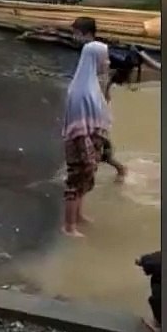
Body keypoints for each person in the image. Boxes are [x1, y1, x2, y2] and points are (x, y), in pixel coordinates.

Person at [61, 17, 119, 237]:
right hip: (80, 140)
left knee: (85, 180)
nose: (107, 63)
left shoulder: (92, 85)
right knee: (75, 181)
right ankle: (69, 226)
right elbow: (78, 125)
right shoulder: (81, 92)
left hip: (90, 138)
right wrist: (87, 148)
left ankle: (79, 216)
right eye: (104, 59)